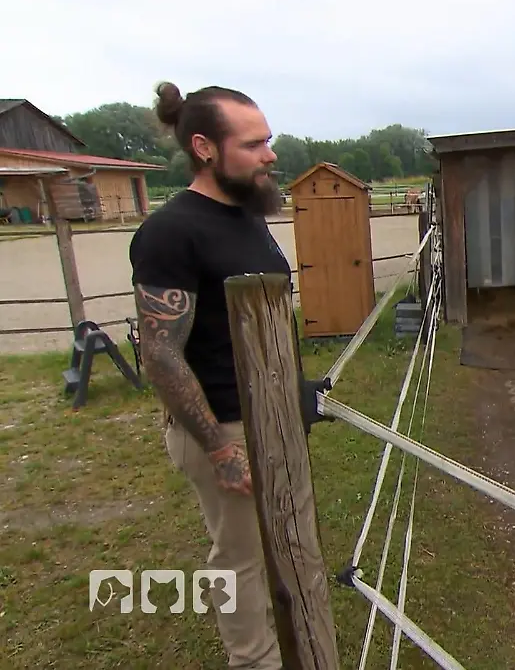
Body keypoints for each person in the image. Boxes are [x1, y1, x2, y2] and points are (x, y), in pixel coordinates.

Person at [129, 81, 288, 670]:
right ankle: (253, 661)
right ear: (204, 147)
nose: (269, 154)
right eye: (253, 144)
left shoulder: (247, 216)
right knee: (239, 558)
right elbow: (162, 352)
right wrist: (221, 450)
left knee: (284, 539)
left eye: (267, 140)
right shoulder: (172, 232)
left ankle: (295, 632)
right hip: (222, 427)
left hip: (270, 420)